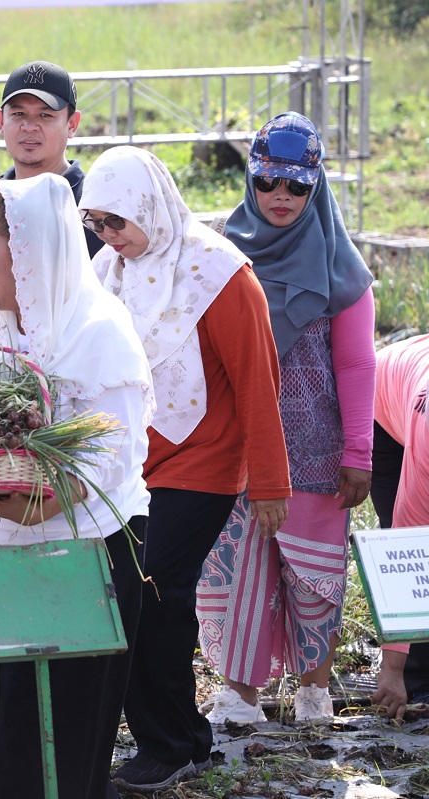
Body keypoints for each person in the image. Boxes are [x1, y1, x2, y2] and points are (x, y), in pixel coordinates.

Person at [75, 145, 291, 792]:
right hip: (129, 465)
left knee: (151, 595)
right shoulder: (108, 269)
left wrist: (271, 482)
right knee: (133, 599)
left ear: (148, 206)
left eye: (117, 221)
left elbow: (258, 379)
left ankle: (168, 742)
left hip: (202, 465)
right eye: (97, 224)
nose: (109, 237)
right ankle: (182, 735)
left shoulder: (219, 272)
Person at [0, 175, 153, 799]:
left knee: (55, 750)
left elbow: (98, 468)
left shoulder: (99, 332)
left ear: (26, 252)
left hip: (79, 563)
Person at [195, 112, 376, 726]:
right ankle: (239, 694)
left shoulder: (342, 268)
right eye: (270, 182)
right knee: (237, 565)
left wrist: (360, 454)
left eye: (297, 186)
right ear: (251, 178)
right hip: (236, 445)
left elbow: (355, 366)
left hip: (318, 450)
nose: (281, 197)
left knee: (313, 575)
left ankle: (314, 692)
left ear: (316, 186)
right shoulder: (220, 253)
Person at [0, 61, 103, 322]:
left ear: (72, 124)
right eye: (18, 115)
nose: (29, 127)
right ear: (0, 120)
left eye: (45, 116)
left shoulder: (96, 205)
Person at [368, 334, 429, 721]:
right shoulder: (425, 447)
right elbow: (404, 552)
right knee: (418, 548)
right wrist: (391, 670)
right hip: (383, 409)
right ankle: (416, 675)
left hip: (413, 369)